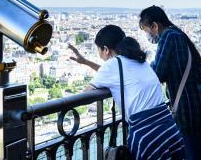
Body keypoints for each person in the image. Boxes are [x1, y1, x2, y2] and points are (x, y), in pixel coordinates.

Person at [69, 25, 185, 160]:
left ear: (106, 49)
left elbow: (86, 93)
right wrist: (86, 62)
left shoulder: (111, 65)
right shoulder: (138, 59)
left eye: (98, 50)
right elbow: (118, 74)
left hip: (147, 133)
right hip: (168, 126)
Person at [139, 5, 201, 160]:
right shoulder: (178, 34)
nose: (148, 35)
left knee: (192, 153)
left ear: (155, 26)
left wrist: (145, 66)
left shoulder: (168, 36)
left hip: (188, 108)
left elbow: (158, 73)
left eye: (147, 30)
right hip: (200, 102)